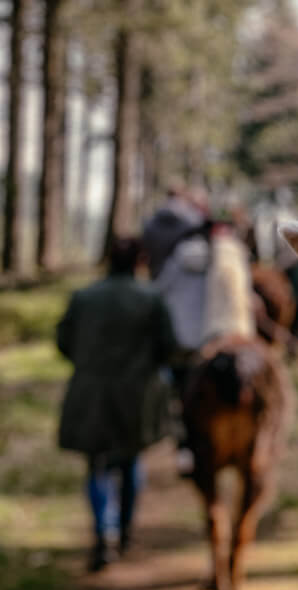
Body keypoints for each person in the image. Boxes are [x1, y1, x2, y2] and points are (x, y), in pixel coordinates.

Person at [56, 237, 178, 571]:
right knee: (129, 462)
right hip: (135, 395)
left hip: (90, 391)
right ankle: (123, 533)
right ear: (139, 261)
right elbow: (168, 345)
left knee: (96, 464)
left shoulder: (83, 297)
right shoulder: (151, 298)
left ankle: (102, 533)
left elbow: (63, 341)